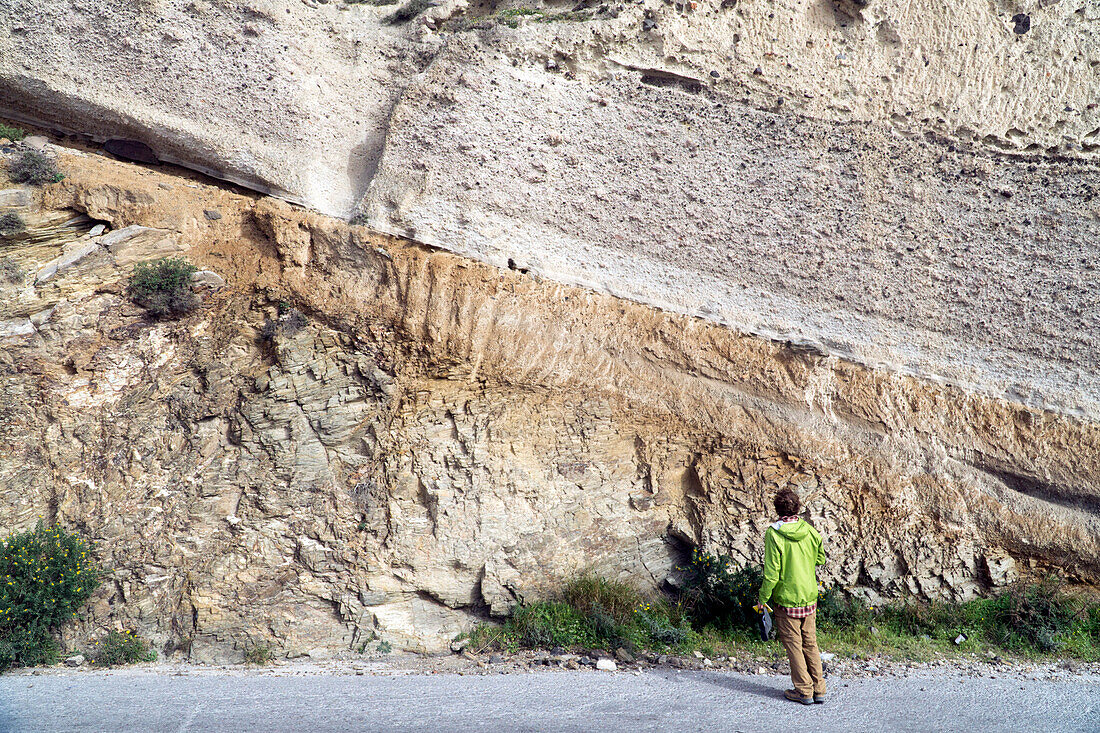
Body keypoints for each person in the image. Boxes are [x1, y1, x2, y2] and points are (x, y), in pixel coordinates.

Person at [755, 488, 827, 705]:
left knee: (794, 645)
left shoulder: (774, 533)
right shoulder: (809, 530)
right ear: (798, 507)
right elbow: (821, 558)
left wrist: (762, 598)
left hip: (786, 599)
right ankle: (819, 689)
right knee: (810, 643)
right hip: (809, 595)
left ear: (777, 509)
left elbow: (771, 573)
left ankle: (803, 690)